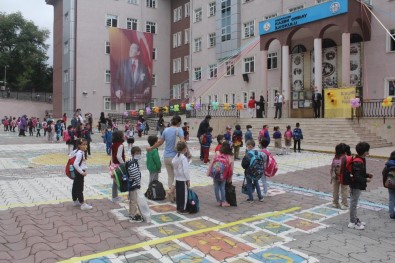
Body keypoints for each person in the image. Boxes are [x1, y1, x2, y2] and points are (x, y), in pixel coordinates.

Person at [147, 115, 190, 202]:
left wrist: (151, 148)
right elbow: (183, 142)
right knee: (177, 176)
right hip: (176, 157)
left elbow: (160, 142)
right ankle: (174, 193)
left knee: (170, 176)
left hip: (166, 156)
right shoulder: (179, 129)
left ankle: (171, 195)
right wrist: (188, 152)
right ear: (179, 122)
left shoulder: (166, 130)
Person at [348, 142, 372, 230]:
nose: (368, 152)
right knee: (353, 203)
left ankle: (354, 219)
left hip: (356, 184)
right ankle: (352, 222)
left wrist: (367, 175)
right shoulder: (358, 161)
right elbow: (357, 176)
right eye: (368, 151)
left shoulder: (360, 159)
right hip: (355, 185)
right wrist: (366, 179)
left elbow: (359, 173)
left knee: (354, 202)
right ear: (365, 152)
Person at [207, 141, 233, 207]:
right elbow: (231, 169)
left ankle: (218, 201)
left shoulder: (217, 153)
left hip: (215, 174)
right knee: (222, 187)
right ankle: (223, 201)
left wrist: (209, 172)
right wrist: (230, 178)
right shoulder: (229, 156)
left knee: (216, 187)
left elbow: (212, 163)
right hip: (223, 175)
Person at [70, 138, 92, 210]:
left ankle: (75, 200)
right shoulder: (80, 153)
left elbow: (70, 155)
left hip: (77, 171)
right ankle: (82, 203)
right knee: (80, 187)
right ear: (79, 145)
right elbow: (75, 164)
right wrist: (82, 172)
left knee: (75, 185)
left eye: (86, 144)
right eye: (83, 144)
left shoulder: (77, 151)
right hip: (79, 172)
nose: (85, 146)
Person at [172, 141, 190, 214]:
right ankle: (183, 208)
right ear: (185, 149)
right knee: (184, 195)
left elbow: (173, 164)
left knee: (179, 194)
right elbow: (186, 170)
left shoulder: (176, 156)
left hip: (177, 178)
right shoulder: (183, 158)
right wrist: (188, 179)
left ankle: (178, 207)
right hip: (183, 179)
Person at [127, 146, 143, 222]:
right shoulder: (133, 164)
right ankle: (133, 215)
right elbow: (135, 175)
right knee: (133, 201)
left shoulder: (133, 162)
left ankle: (131, 213)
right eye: (137, 153)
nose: (138, 155)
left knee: (132, 200)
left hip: (132, 185)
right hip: (133, 185)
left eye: (139, 153)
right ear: (133, 154)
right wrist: (138, 183)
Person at [330, 143, 349, 210]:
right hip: (343, 176)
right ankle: (344, 204)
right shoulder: (345, 158)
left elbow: (332, 167)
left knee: (335, 190)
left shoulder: (335, 157)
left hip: (335, 176)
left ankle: (335, 203)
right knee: (344, 190)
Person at [110, 130, 126, 203]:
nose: (124, 136)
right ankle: (114, 197)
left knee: (115, 181)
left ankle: (115, 196)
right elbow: (119, 156)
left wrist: (112, 164)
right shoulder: (121, 145)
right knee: (117, 182)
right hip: (118, 165)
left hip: (113, 164)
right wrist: (123, 164)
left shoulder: (113, 144)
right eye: (123, 135)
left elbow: (112, 155)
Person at [382, 150, 395, 219]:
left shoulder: (388, 164)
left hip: (390, 184)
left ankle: (391, 213)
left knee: (391, 199)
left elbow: (383, 173)